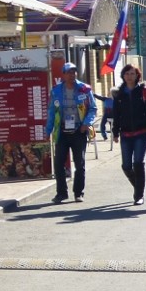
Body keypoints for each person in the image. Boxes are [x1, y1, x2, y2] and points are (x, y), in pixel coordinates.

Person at [45, 62, 97, 204]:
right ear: (63, 74)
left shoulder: (84, 90)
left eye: (74, 72)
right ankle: (61, 193)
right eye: (68, 72)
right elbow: (51, 111)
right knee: (58, 164)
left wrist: (86, 124)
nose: (71, 75)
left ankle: (78, 193)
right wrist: (48, 129)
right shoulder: (56, 91)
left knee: (79, 163)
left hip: (78, 131)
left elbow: (93, 108)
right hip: (61, 131)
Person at [110, 64, 146, 205]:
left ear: (137, 76)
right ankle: (138, 186)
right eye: (127, 73)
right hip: (125, 134)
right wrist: (115, 132)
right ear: (123, 75)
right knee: (126, 166)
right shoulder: (119, 93)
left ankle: (139, 195)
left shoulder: (143, 91)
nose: (130, 76)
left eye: (132, 73)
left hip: (141, 133)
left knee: (138, 163)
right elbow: (116, 114)